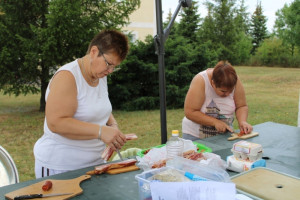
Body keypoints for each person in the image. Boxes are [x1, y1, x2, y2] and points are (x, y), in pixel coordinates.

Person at [34, 30, 129, 178]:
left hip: (94, 163)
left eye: (114, 67)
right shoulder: (68, 76)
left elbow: (97, 106)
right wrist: (100, 131)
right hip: (62, 167)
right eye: (109, 64)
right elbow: (56, 123)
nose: (110, 71)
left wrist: (112, 126)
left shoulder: (100, 75)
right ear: (94, 51)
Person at [182, 61, 253, 141]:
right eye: (223, 91)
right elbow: (190, 112)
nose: (228, 94)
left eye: (231, 91)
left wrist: (242, 121)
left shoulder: (234, 80)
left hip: (224, 135)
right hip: (196, 136)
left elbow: (241, 106)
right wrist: (215, 122)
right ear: (213, 83)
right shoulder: (201, 80)